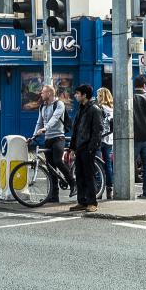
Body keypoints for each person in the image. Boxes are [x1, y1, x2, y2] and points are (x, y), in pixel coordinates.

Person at [33, 85, 74, 203]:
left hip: (58, 138)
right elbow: (39, 122)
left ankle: (72, 183)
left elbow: (55, 118)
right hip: (48, 139)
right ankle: (54, 196)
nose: (41, 94)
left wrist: (46, 128)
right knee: (51, 168)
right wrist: (33, 136)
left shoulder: (59, 104)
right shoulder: (42, 107)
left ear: (49, 93)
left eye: (43, 92)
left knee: (57, 161)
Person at [67, 85, 104, 213]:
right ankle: (82, 202)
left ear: (84, 95)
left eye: (77, 93)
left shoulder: (94, 109)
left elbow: (97, 131)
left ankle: (92, 202)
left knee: (89, 176)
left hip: (88, 148)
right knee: (80, 176)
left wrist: (91, 148)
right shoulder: (81, 109)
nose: (75, 96)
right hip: (79, 148)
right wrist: (72, 148)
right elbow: (76, 130)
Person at [96, 87, 115, 200]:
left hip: (99, 139)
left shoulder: (99, 108)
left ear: (102, 96)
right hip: (109, 139)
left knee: (97, 164)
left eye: (98, 95)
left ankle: (98, 189)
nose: (97, 97)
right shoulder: (112, 109)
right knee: (108, 164)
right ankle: (109, 189)